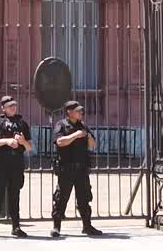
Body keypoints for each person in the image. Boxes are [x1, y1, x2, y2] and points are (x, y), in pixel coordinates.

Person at [51, 100, 102, 237]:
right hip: (66, 168)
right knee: (61, 198)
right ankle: (57, 227)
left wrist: (88, 135)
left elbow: (92, 145)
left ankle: (87, 226)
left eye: (81, 110)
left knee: (84, 197)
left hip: (81, 168)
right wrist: (75, 135)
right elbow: (59, 142)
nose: (81, 112)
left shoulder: (83, 126)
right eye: (78, 110)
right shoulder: (61, 125)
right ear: (69, 112)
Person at [0, 96, 32, 239]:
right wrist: (6, 141)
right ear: (3, 108)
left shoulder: (22, 123)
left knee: (14, 195)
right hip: (1, 164)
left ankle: (16, 227)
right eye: (10, 106)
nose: (13, 107)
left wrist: (23, 141)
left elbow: (29, 147)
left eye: (14, 105)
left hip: (16, 165)